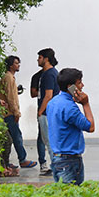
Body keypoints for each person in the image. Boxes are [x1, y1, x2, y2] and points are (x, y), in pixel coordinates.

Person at [46, 68, 95, 184]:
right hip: (69, 160)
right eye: (79, 83)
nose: (82, 85)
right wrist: (86, 104)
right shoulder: (69, 107)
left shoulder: (53, 102)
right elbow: (91, 127)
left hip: (57, 157)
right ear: (70, 87)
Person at [0, 55, 37, 169]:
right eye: (16, 63)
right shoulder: (9, 78)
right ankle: (22, 159)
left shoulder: (8, 77)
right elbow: (10, 98)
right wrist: (16, 112)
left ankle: (5, 162)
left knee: (8, 139)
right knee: (16, 137)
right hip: (9, 113)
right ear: (10, 65)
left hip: (6, 112)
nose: (18, 65)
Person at [35, 48, 59, 176]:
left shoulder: (49, 74)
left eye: (40, 57)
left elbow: (48, 95)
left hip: (46, 113)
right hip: (49, 111)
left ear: (46, 59)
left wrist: (40, 111)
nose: (38, 60)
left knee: (49, 141)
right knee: (49, 140)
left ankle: (56, 166)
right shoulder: (51, 73)